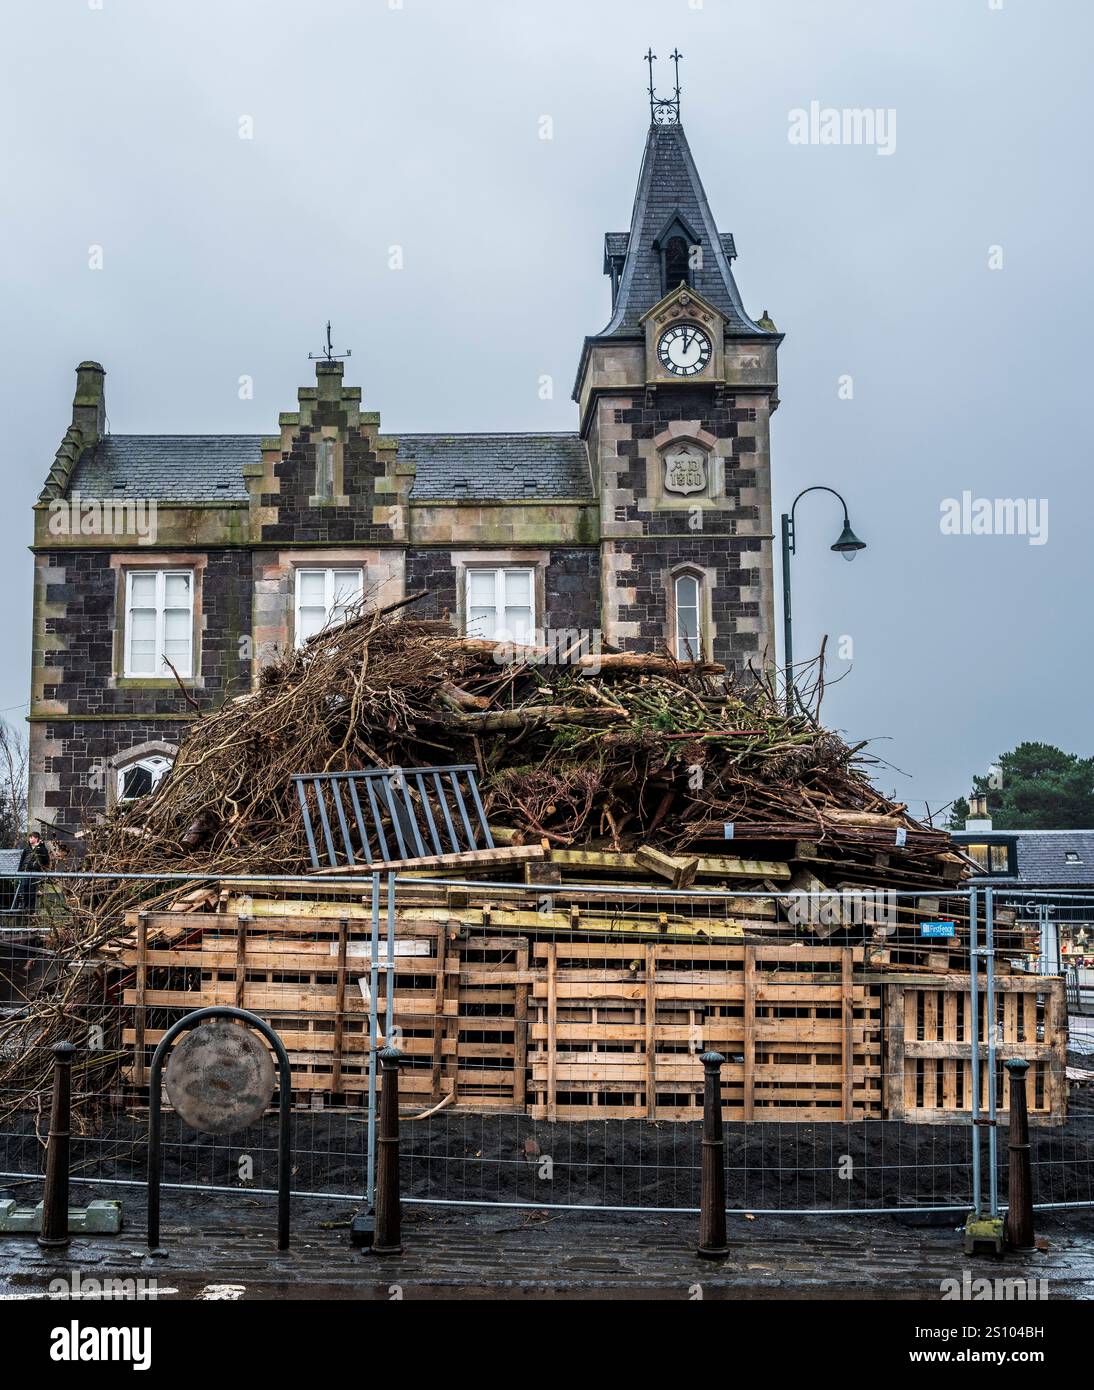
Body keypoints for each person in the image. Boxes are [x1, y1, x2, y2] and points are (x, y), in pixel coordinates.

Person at [14, 831, 50, 918]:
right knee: (25, 887)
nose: (30, 839)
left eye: (31, 837)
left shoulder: (42, 849)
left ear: (36, 838)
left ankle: (31, 909)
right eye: (29, 837)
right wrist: (19, 872)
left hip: (35, 871)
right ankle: (24, 906)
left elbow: (46, 861)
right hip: (25, 871)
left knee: (32, 890)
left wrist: (41, 848)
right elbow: (22, 861)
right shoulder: (27, 849)